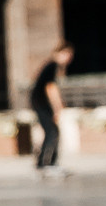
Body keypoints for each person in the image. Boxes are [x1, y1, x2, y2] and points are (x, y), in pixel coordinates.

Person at [30, 43, 75, 176]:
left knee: (52, 131)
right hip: (41, 103)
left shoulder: (52, 66)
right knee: (52, 132)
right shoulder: (53, 65)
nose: (69, 58)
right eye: (67, 55)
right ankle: (46, 164)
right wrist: (58, 106)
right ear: (59, 53)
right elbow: (50, 87)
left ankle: (46, 163)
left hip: (41, 103)